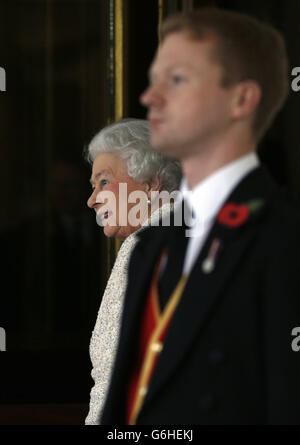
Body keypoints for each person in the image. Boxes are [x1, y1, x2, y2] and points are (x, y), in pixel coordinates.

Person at [101, 9, 300, 425]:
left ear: (242, 100)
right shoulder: (147, 247)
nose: (151, 98)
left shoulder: (282, 240)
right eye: (155, 80)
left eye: (178, 80)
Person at [85, 118, 181, 424]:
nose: (92, 200)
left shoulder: (146, 246)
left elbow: (117, 374)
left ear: (151, 185)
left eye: (104, 182)